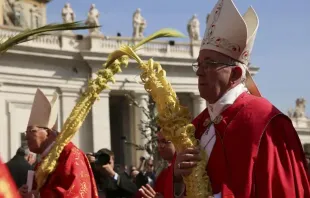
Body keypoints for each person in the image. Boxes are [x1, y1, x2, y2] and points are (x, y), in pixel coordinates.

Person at [173, 0, 310, 197]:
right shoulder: (198, 125)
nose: (200, 73)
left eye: (209, 64)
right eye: (199, 64)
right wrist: (177, 177)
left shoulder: (268, 124)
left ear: (236, 74)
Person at [22, 88, 98, 198]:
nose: (27, 137)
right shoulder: (41, 162)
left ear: (47, 132)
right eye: (26, 132)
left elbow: (75, 192)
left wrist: (39, 195)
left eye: (32, 131)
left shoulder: (70, 154)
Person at [136, 129, 177, 198]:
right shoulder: (164, 174)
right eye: (158, 142)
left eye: (164, 141)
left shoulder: (187, 168)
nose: (160, 146)